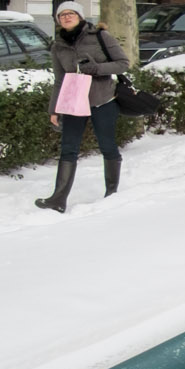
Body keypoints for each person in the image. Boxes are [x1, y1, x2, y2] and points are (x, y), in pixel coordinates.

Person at [36, 1, 130, 214]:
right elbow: (60, 79)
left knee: (107, 146)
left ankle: (112, 193)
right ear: (58, 20)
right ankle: (58, 199)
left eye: (70, 14)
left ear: (79, 16)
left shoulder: (99, 36)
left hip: (102, 100)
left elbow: (123, 63)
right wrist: (54, 109)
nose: (66, 17)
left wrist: (96, 68)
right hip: (73, 103)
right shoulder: (58, 45)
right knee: (68, 149)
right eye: (62, 15)